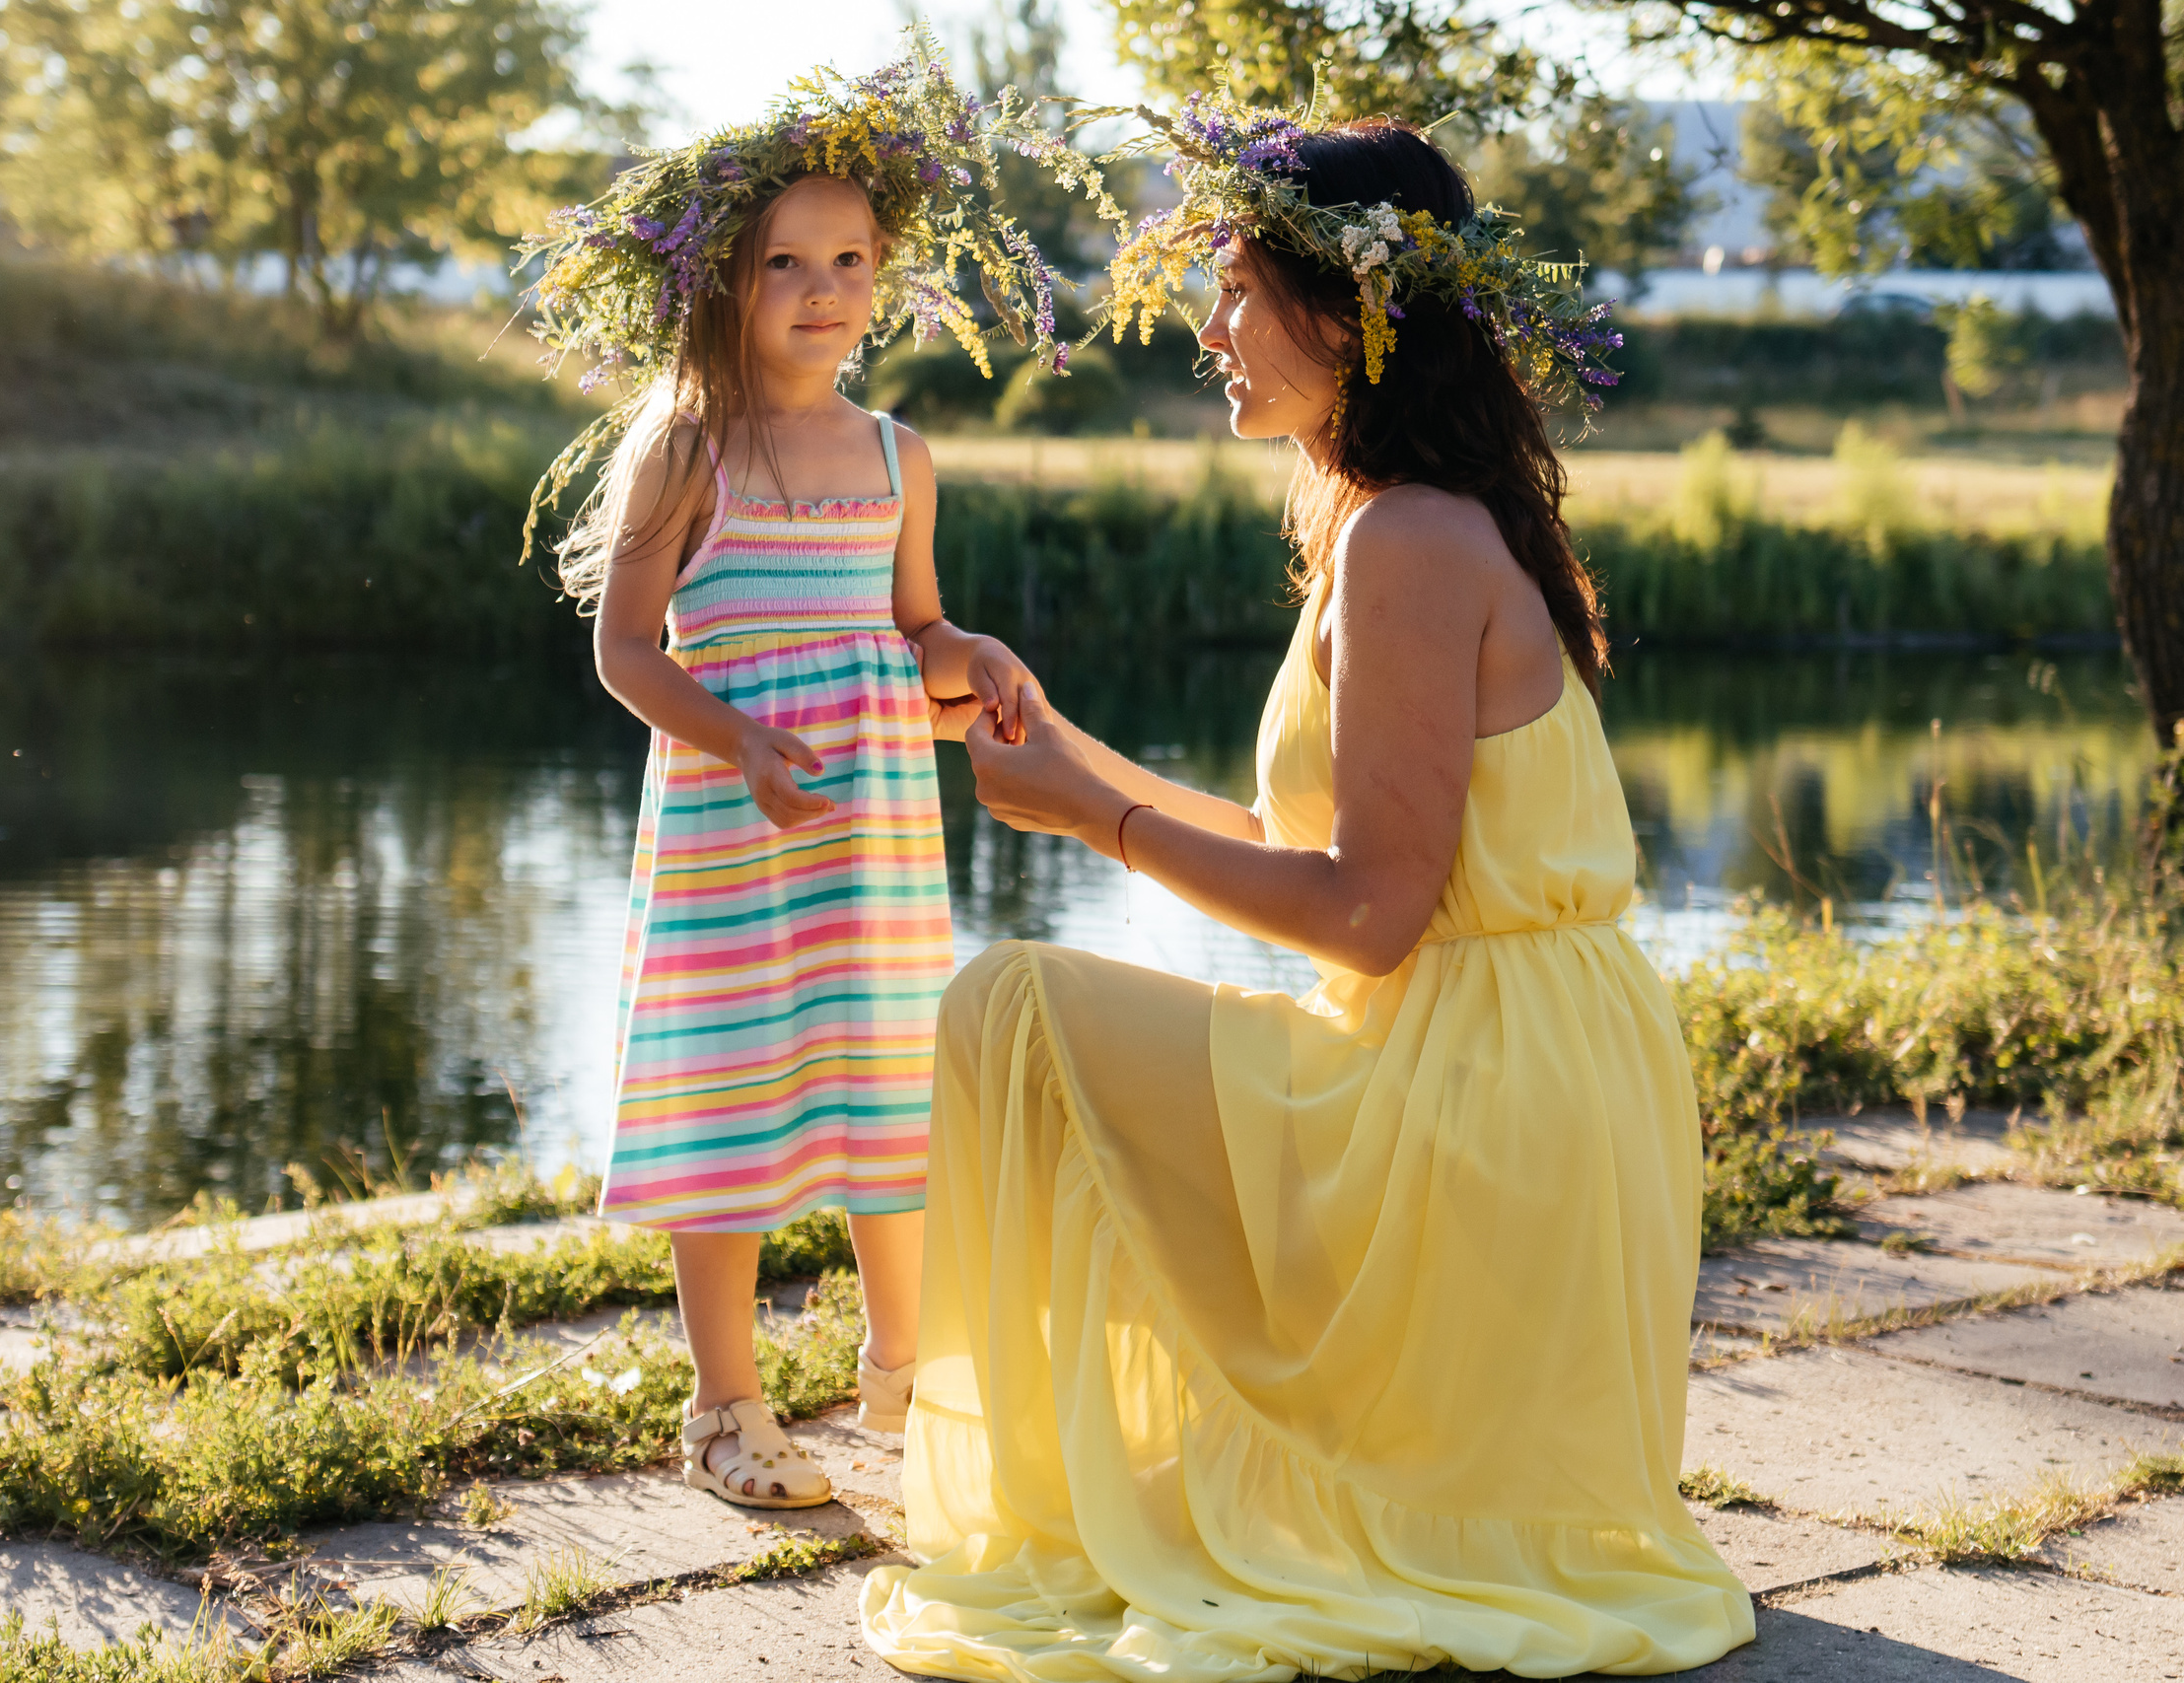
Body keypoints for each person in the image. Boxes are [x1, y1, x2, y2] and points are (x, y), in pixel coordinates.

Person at [860, 105, 1756, 1677]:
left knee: (1012, 1007)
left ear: (1344, 315)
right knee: (1039, 1008)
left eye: (1233, 293)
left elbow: (1366, 912)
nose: (1206, 329)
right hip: (1506, 1062)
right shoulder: (1390, 518)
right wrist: (1072, 759)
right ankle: (1149, 1451)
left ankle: (1073, 1473)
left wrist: (1097, 824)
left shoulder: (1410, 538)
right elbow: (1344, 862)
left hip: (1481, 1103)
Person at [515, 42, 1088, 1512]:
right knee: (730, 1090)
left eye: (848, 259)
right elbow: (626, 656)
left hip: (876, 832)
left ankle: (904, 1366)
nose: (822, 289)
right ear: (721, 277)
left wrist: (981, 659)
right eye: (785, 263)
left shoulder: (898, 453)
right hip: (730, 822)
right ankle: (722, 1401)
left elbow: (912, 631)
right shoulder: (685, 445)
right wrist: (738, 738)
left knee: (890, 1081)